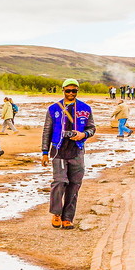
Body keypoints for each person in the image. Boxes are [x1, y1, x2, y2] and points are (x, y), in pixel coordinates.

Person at [41, 79, 96, 230]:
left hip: (77, 151)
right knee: (59, 182)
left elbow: (92, 129)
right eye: (68, 90)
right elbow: (47, 131)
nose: (71, 93)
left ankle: (68, 218)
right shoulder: (53, 109)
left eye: (74, 91)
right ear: (63, 90)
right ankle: (57, 213)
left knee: (74, 185)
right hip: (58, 150)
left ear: (77, 91)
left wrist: (83, 134)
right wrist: (44, 152)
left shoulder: (85, 108)